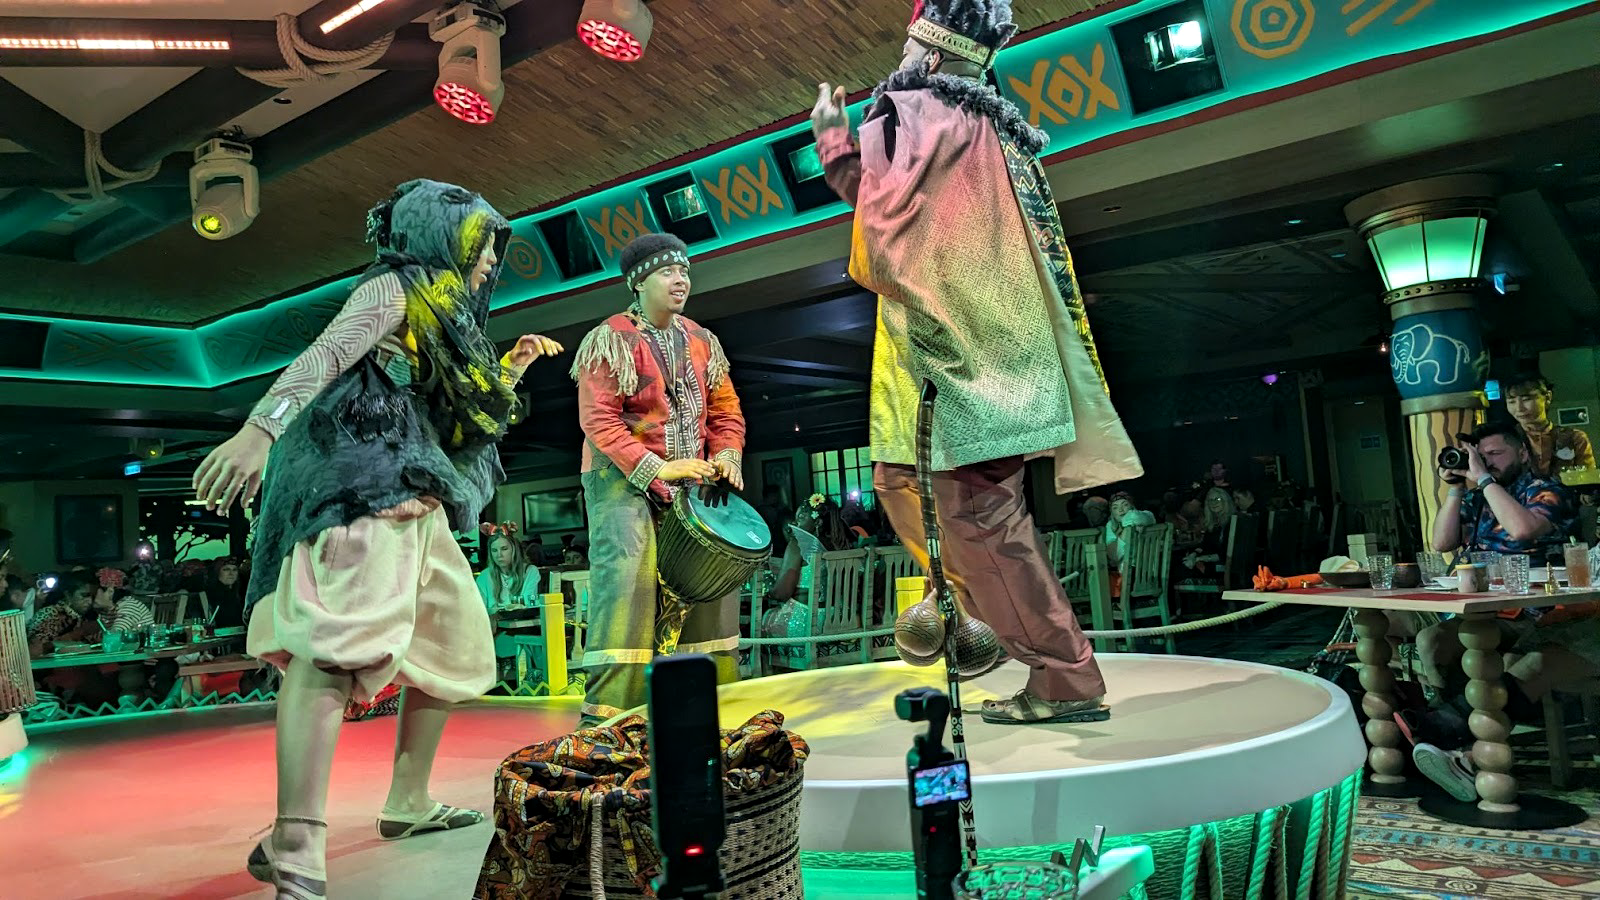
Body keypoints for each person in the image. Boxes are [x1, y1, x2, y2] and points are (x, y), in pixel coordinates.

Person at [189, 179, 564, 900]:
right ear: (443, 237)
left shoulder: (442, 309)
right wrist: (259, 431)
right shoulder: (394, 286)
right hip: (357, 485)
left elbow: (458, 410)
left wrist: (511, 366)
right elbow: (325, 357)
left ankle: (408, 801)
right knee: (336, 647)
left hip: (414, 491)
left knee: (451, 646)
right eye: (482, 246)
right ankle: (297, 836)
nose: (491, 262)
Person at [813, 0, 1142, 725]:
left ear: (929, 55)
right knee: (907, 486)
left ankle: (1063, 676)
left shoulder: (910, 111)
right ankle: (980, 629)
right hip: (1000, 357)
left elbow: (878, 240)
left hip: (952, 367)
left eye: (908, 48)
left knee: (977, 520)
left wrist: (833, 143)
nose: (901, 60)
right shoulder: (992, 126)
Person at [570, 232, 746, 727]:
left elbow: (726, 411)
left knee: (711, 581)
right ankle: (613, 719)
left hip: (690, 479)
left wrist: (728, 456)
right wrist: (657, 467)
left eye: (684, 271)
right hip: (620, 482)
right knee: (629, 585)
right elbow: (598, 419)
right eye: (668, 272)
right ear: (639, 282)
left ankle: (706, 706)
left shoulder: (702, 340)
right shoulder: (611, 338)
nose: (680, 280)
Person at [1432, 420, 1576, 561]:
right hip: (1480, 575)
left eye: (1494, 453)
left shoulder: (1548, 490)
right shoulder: (1476, 497)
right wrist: (1456, 488)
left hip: (1536, 574)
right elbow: (1442, 544)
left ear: (1522, 455)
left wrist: (1484, 479)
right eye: (1481, 457)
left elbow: (1522, 530)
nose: (1487, 462)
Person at [1502, 371, 1595, 479]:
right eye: (1511, 402)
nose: (1519, 408)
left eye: (1526, 399)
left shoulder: (1574, 438)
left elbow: (1588, 480)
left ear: (1547, 397)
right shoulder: (1505, 439)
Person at [476, 530, 542, 613]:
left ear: (514, 550)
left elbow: (528, 606)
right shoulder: (484, 577)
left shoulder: (530, 571)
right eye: (494, 550)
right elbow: (480, 611)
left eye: (504, 549)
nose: (499, 555)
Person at [1104, 492, 1156, 572]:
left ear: (1131, 506)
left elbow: (1136, 516)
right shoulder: (1111, 525)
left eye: (1125, 505)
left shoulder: (1144, 516)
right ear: (1112, 513)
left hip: (1140, 572)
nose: (1120, 510)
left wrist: (1132, 522)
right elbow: (1115, 557)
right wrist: (1127, 529)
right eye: (1115, 507)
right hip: (1132, 573)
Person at [200, 557, 247, 628]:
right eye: (226, 569)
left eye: (234, 570)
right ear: (217, 572)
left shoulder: (242, 593)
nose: (231, 573)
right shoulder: (210, 595)